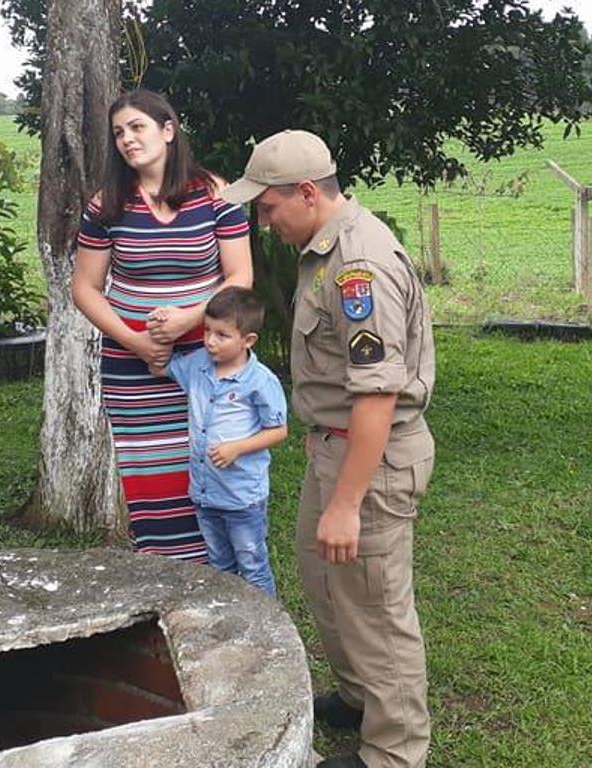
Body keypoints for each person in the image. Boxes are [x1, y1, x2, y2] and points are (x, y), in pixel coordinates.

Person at [222, 130, 436, 768]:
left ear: (307, 192)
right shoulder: (322, 247)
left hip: (372, 456)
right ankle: (360, 697)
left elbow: (376, 398)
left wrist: (346, 503)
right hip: (333, 448)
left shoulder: (357, 265)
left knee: (374, 605)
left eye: (267, 207)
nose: (262, 221)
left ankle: (394, 752)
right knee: (324, 582)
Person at [72, 90, 252, 562]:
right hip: (136, 370)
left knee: (215, 465)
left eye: (137, 127)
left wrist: (186, 322)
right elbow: (85, 288)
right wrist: (136, 342)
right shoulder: (107, 204)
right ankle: (165, 586)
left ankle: (222, 586)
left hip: (210, 358)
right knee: (153, 479)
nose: (127, 140)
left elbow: (240, 276)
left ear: (168, 130)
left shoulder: (214, 192)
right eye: (118, 133)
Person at [151, 286, 288, 595]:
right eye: (207, 331)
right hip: (204, 493)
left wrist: (237, 447)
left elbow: (279, 431)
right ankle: (228, 621)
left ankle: (265, 628)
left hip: (242, 497)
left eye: (222, 335)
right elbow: (158, 365)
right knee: (219, 564)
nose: (210, 341)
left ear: (248, 340)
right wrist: (160, 327)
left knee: (252, 564)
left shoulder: (260, 381)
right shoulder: (197, 365)